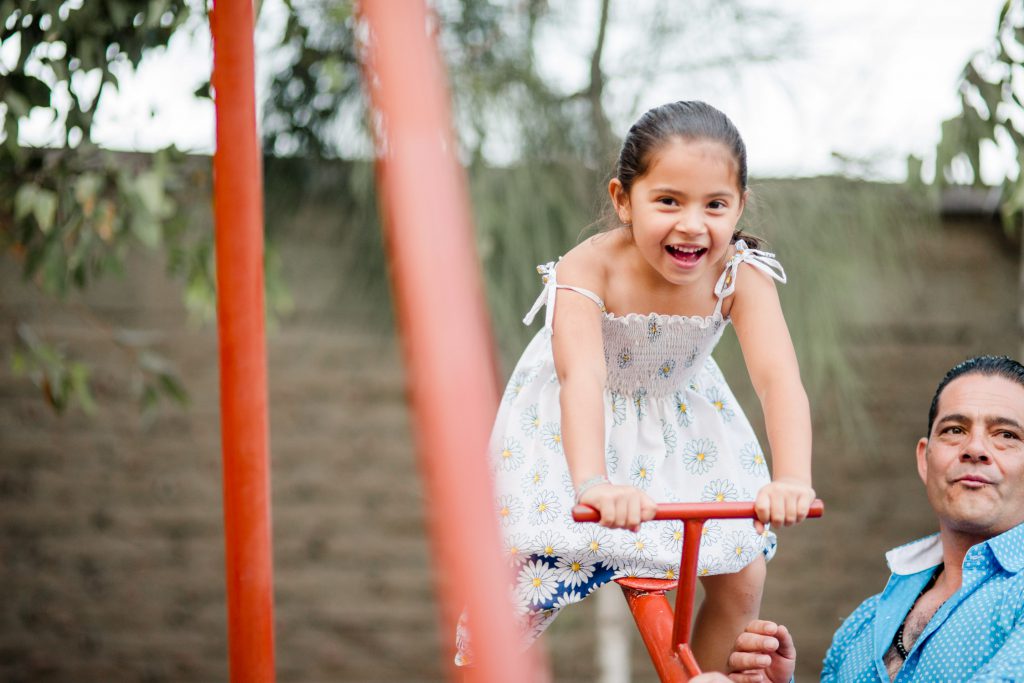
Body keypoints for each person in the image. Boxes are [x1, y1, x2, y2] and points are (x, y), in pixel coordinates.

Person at [455, 100, 815, 671]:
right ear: (624, 200)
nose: (693, 224)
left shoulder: (739, 273)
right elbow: (581, 377)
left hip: (680, 424)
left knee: (743, 568)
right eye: (668, 201)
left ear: (740, 205)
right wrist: (594, 482)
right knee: (526, 575)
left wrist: (793, 478)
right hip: (572, 426)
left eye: (715, 204)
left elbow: (779, 380)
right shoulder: (589, 267)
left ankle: (708, 674)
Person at [694, 355, 1024, 682]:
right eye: (955, 430)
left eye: (1006, 435)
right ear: (925, 460)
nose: (975, 448)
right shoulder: (863, 622)